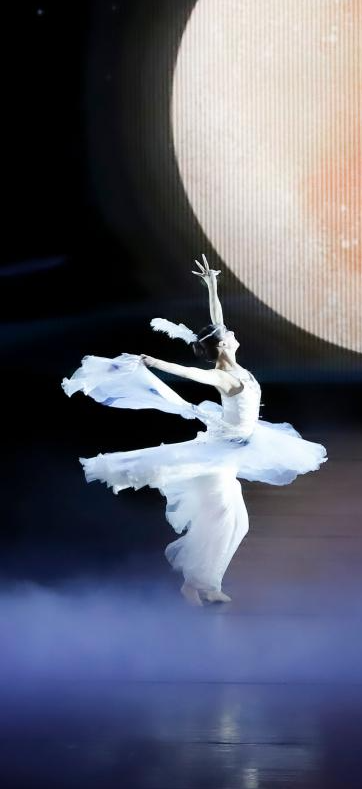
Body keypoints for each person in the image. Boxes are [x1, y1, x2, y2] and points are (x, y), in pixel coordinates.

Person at [62, 255, 327, 606]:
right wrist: (155, 362)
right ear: (223, 346)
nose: (233, 333)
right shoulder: (222, 376)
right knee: (224, 520)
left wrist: (212, 285)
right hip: (216, 457)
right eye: (228, 335)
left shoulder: (231, 362)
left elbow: (218, 321)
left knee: (236, 523)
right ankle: (198, 584)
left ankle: (205, 583)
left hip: (232, 449)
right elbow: (190, 373)